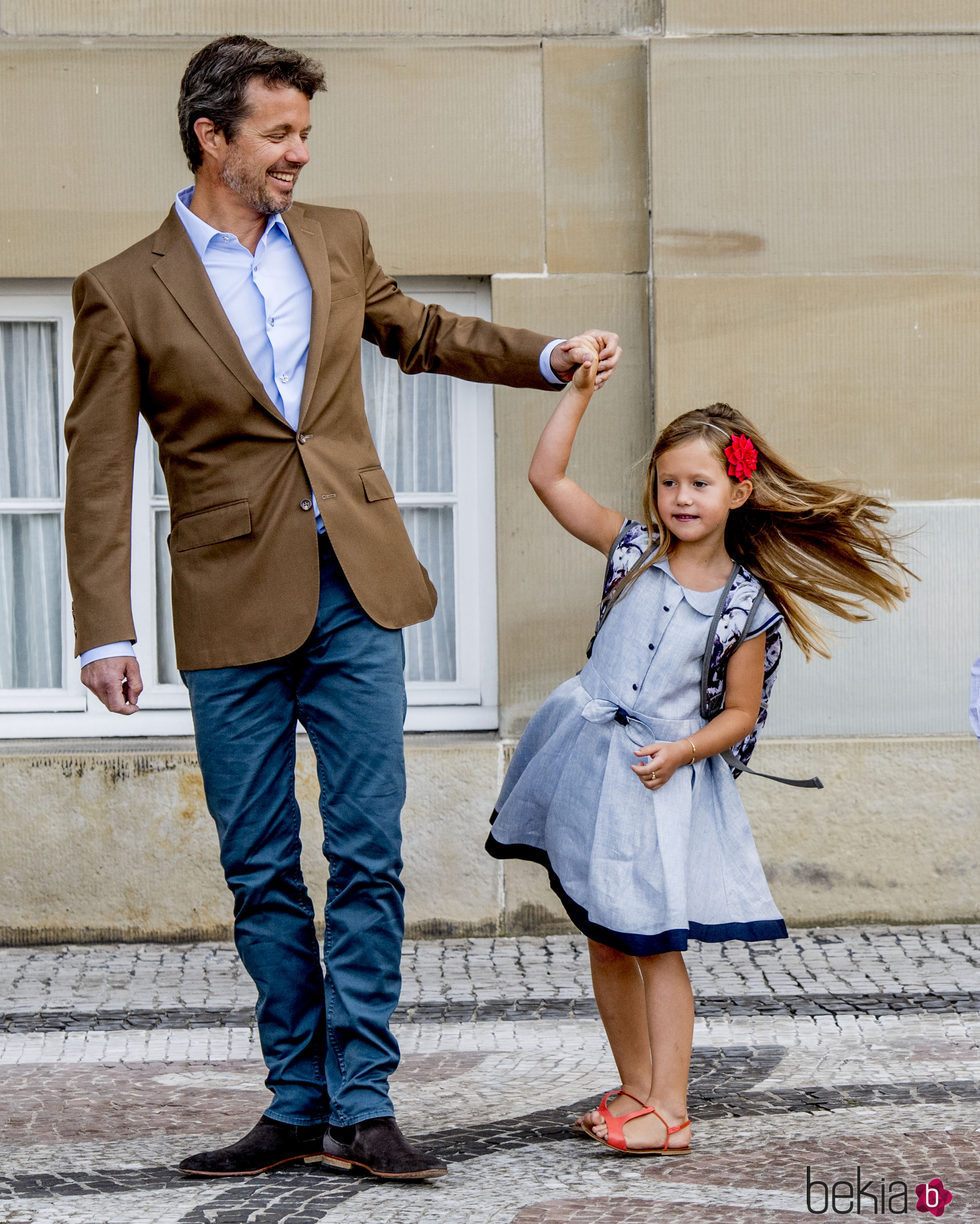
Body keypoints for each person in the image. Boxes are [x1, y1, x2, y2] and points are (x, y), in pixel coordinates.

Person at [63, 34, 621, 1181]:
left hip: (355, 591)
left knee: (368, 855)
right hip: (226, 605)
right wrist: (103, 629)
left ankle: (362, 1102)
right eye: (276, 134)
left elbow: (419, 330)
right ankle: (293, 1100)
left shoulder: (335, 238)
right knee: (261, 866)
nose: (297, 155)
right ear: (211, 137)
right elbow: (97, 469)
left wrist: (548, 353)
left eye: (303, 134)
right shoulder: (122, 287)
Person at [486, 355, 913, 1156]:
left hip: (657, 783)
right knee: (605, 935)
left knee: (655, 942)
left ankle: (671, 1110)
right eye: (668, 482)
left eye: (699, 484)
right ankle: (637, 1089)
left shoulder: (745, 605)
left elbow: (742, 711)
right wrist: (576, 392)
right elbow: (548, 479)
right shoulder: (631, 549)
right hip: (591, 766)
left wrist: (681, 750)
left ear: (738, 492)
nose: (680, 498)